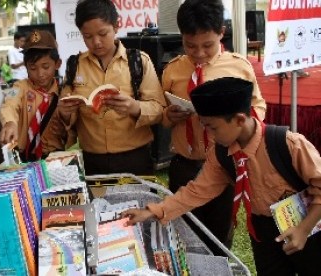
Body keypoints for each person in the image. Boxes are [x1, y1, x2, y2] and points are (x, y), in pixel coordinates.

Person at [123, 77, 321, 276]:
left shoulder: (287, 144)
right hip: (263, 232)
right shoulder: (222, 154)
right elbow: (198, 190)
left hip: (308, 224)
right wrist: (154, 211)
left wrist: (303, 229)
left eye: (212, 127)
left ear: (240, 120)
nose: (209, 134)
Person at [160, 0, 266, 253]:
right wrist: (169, 115)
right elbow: (161, 117)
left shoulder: (238, 67)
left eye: (207, 45)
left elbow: (258, 107)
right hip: (185, 164)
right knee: (182, 234)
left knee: (218, 237)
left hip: (224, 163)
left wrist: (240, 121)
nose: (198, 53)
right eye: (190, 45)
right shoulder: (173, 70)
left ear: (221, 31)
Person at [56, 0, 166, 176]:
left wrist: (134, 107)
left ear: (116, 26)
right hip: (92, 160)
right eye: (88, 36)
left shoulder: (138, 61)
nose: (96, 42)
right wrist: (64, 112)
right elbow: (65, 115)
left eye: (102, 33)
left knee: (138, 203)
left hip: (134, 158)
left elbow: (159, 109)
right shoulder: (74, 65)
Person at [0, 30, 69, 162]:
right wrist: (9, 122)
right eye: (33, 68)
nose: (40, 73)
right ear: (26, 67)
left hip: (54, 157)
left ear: (57, 64)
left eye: (45, 66)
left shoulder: (63, 93)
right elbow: (9, 104)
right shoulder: (18, 87)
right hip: (25, 157)